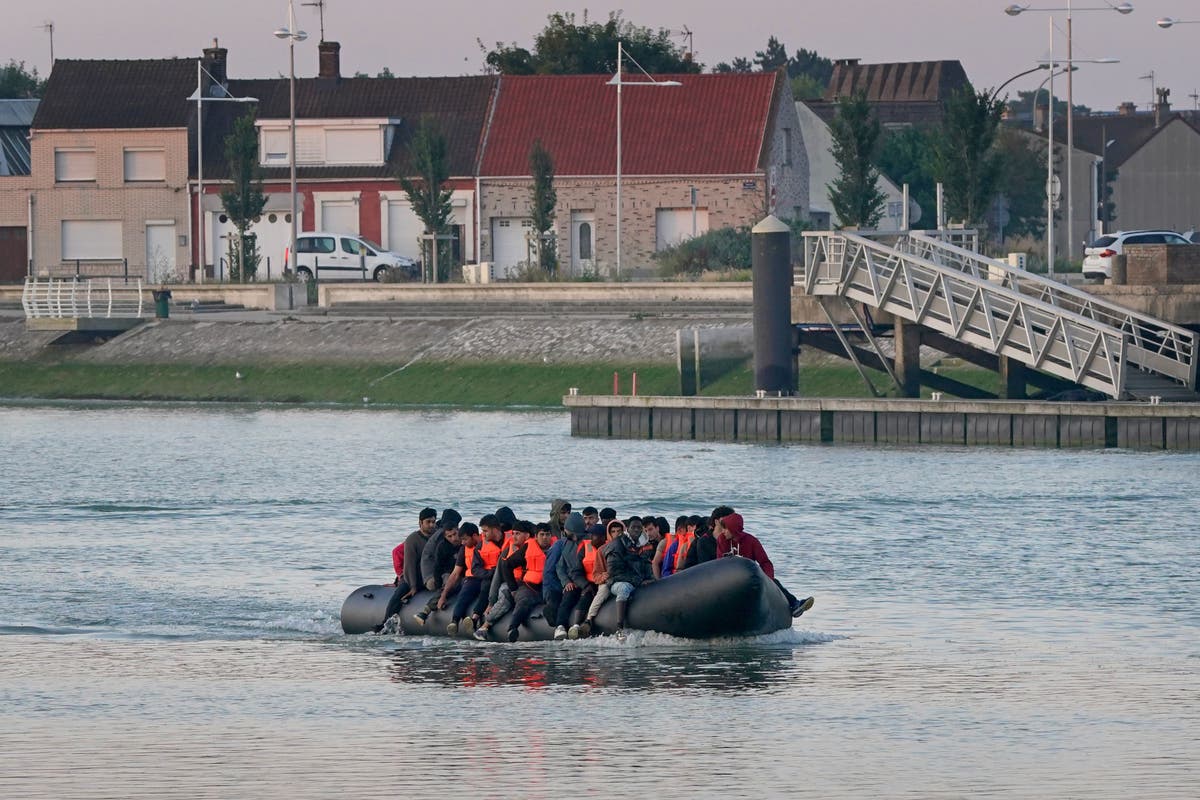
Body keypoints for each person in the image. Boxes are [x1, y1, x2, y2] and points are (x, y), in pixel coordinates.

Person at [716, 512, 814, 618]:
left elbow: (765, 562)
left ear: (733, 529)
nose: (723, 531)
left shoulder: (751, 541)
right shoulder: (722, 540)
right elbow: (720, 562)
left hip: (747, 579)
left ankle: (794, 605)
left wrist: (768, 579)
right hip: (729, 579)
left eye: (726, 529)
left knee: (774, 582)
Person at [437, 522, 500, 635]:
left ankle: (475, 618)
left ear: (475, 536)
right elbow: (455, 573)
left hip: (488, 577)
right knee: (465, 591)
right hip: (474, 577)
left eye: (465, 539)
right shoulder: (464, 549)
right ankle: (454, 621)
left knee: (485, 590)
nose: (462, 542)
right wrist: (444, 595)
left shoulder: (489, 543)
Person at [474, 521, 532, 640]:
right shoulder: (508, 551)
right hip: (510, 583)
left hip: (528, 584)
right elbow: (498, 576)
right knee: (505, 596)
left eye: (518, 534)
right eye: (513, 533)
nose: (514, 537)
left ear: (527, 536)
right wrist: (491, 602)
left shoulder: (535, 548)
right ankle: (485, 626)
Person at [505, 524, 554, 642]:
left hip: (549, 587)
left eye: (547, 535)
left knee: (555, 600)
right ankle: (513, 628)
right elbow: (507, 565)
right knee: (524, 601)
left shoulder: (557, 548)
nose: (545, 537)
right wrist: (513, 588)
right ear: (536, 536)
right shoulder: (528, 547)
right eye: (542, 535)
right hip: (530, 587)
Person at [412, 516, 462, 625]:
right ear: (445, 536)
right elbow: (438, 567)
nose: (454, 538)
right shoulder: (442, 547)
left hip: (462, 573)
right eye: (449, 536)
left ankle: (427, 611)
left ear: (458, 531)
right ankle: (426, 610)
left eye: (455, 534)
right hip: (447, 573)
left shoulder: (464, 542)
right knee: (449, 583)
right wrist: (438, 584)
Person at [568, 524, 611, 639]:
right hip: (590, 583)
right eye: (590, 535)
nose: (591, 538)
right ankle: (576, 625)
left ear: (603, 538)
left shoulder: (610, 548)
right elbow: (576, 572)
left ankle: (589, 620)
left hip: (606, 582)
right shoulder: (585, 548)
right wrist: (585, 585)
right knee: (586, 595)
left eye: (594, 535)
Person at [552, 512, 588, 639]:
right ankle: (560, 626)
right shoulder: (567, 544)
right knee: (567, 598)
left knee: (586, 598)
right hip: (572, 582)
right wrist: (566, 582)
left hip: (587, 581)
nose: (565, 532)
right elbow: (560, 567)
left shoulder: (588, 541)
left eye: (566, 529)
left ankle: (578, 625)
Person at [399, 507, 438, 603]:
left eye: (433, 522)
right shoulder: (412, 539)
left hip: (430, 576)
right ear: (420, 523)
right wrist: (413, 586)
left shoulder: (438, 536)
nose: (431, 525)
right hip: (414, 577)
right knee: (399, 595)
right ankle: (387, 617)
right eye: (428, 522)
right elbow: (409, 565)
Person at [420, 509, 463, 591]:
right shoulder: (441, 537)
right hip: (432, 576)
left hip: (434, 572)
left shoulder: (441, 533)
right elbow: (439, 564)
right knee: (452, 581)